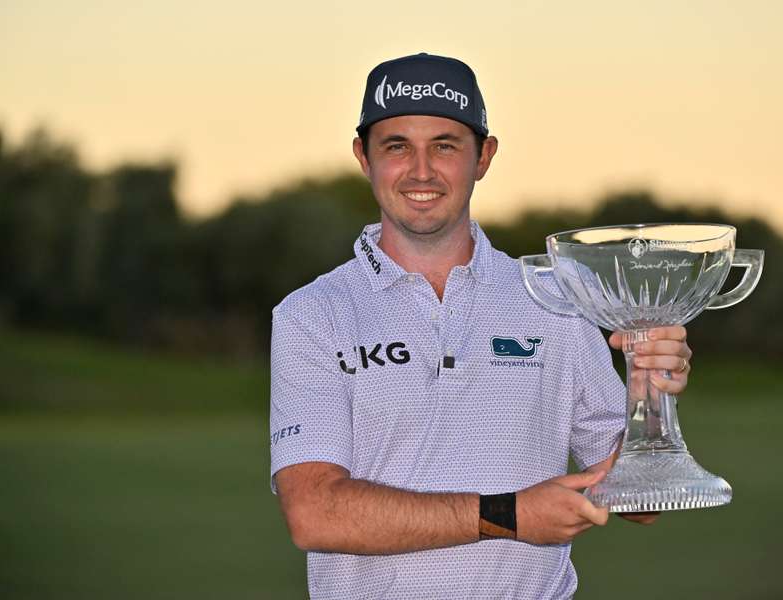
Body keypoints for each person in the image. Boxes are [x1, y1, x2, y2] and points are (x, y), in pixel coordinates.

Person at [269, 53, 693, 599]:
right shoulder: (312, 313)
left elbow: (643, 504)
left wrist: (649, 397)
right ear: (364, 157)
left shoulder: (556, 300)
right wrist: (508, 516)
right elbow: (315, 513)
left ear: (484, 156)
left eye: (445, 145)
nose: (421, 171)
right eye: (397, 146)